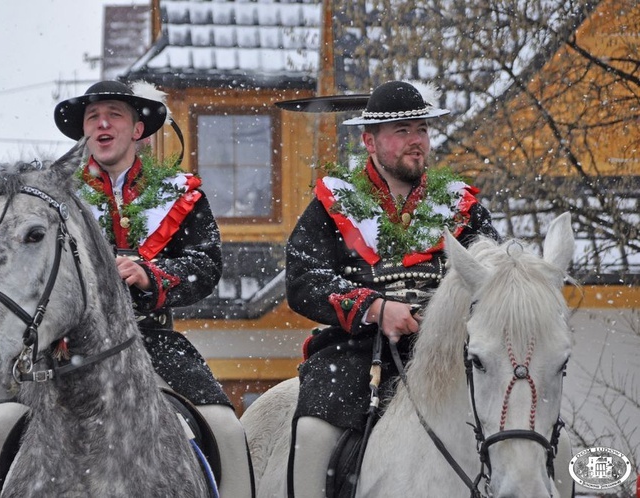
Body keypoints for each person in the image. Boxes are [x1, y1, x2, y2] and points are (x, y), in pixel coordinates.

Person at [285, 80, 501, 497]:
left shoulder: (463, 206)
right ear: (369, 141)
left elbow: (495, 280)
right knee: (312, 433)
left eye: (420, 129)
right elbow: (303, 280)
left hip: (451, 353)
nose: (416, 141)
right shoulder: (334, 202)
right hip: (355, 353)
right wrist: (374, 308)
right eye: (401, 131)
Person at [53, 80, 253, 498]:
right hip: (65, 350)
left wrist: (150, 275)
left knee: (224, 427)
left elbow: (206, 266)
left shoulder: (179, 194)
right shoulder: (54, 198)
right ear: (83, 133)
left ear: (137, 130)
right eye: (93, 117)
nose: (102, 124)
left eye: (114, 115)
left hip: (154, 343)